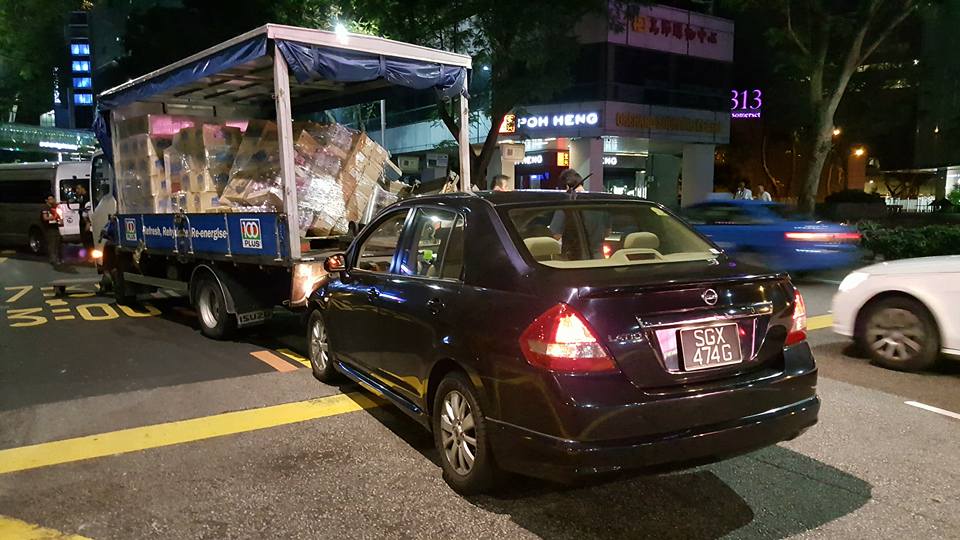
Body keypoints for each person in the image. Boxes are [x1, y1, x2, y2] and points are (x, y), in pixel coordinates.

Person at [40, 195, 63, 267]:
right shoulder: (45, 207)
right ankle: (53, 259)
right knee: (52, 244)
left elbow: (59, 215)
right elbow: (45, 218)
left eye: (52, 199)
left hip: (55, 227)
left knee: (57, 243)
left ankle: (57, 258)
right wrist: (54, 217)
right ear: (46, 200)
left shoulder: (54, 207)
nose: (51, 200)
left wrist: (60, 220)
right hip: (49, 228)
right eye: (49, 199)